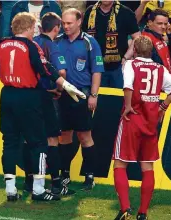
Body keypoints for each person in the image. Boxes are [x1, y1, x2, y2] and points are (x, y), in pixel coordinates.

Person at [0, 12, 86, 202]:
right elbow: (45, 69)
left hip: (7, 95)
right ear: (27, 28)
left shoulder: (0, 44)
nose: (34, 30)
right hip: (28, 96)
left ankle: (10, 190)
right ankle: (39, 189)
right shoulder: (31, 46)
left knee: (9, 142)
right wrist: (67, 86)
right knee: (38, 143)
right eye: (33, 27)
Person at [112, 35, 171, 220]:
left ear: (134, 50)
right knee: (147, 167)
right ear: (151, 52)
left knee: (119, 163)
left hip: (132, 119)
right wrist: (163, 107)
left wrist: (127, 107)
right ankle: (143, 213)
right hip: (150, 123)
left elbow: (127, 86)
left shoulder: (131, 65)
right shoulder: (159, 68)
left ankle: (125, 209)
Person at [23, 12, 75, 196]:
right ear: (56, 28)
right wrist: (59, 90)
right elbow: (61, 72)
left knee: (30, 139)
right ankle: (55, 183)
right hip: (46, 97)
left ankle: (29, 182)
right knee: (52, 139)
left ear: (39, 27)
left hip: (28, 97)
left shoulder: (30, 42)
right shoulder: (52, 46)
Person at [56, 8, 104, 190]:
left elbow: (97, 70)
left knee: (84, 136)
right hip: (61, 96)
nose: (66, 26)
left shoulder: (89, 42)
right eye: (63, 23)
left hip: (82, 95)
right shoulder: (57, 41)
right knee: (64, 136)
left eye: (69, 23)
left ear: (79, 22)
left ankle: (89, 175)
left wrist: (93, 95)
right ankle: (65, 174)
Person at [82, 0, 140, 88]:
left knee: (118, 99)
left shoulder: (125, 12)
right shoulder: (90, 12)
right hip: (94, 67)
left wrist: (126, 57)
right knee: (98, 99)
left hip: (118, 67)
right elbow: (83, 36)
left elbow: (137, 37)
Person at [142, 9, 171, 79]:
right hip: (155, 82)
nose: (163, 27)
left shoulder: (159, 37)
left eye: (165, 24)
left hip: (165, 79)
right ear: (150, 22)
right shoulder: (145, 40)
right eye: (159, 23)